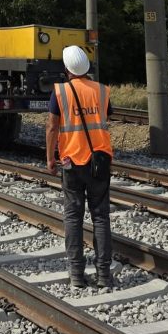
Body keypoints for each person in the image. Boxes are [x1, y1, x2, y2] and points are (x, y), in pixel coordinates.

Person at [45, 44, 113, 289]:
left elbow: (52, 127)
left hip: (72, 162)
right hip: (100, 161)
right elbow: (106, 117)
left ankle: (76, 274)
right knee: (101, 217)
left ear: (66, 69)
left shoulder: (60, 92)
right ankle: (104, 275)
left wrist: (50, 158)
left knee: (73, 217)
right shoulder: (102, 91)